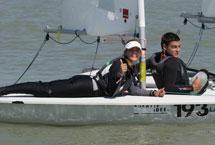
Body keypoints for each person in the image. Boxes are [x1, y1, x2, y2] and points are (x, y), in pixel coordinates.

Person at [0, 40, 165, 97]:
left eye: (137, 51)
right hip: (84, 86)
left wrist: (153, 93)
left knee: (47, 88)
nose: (135, 53)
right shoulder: (119, 64)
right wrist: (119, 75)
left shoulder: (130, 70)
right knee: (47, 90)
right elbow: (111, 90)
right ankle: (5, 90)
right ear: (126, 52)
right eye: (132, 50)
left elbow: (134, 89)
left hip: (86, 86)